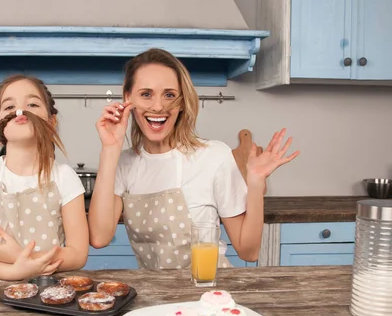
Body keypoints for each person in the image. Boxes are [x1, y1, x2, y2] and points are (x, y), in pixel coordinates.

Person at [88, 48, 299, 269]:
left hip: (209, 292)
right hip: (156, 295)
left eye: (169, 94)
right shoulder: (123, 163)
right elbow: (100, 238)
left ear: (181, 102)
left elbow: (249, 251)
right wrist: (110, 149)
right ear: (128, 98)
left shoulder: (214, 156)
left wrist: (255, 184)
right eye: (146, 94)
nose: (158, 106)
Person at [0, 75, 89, 280]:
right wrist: (13, 272)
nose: (20, 111)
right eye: (9, 107)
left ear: (51, 121)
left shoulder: (65, 178)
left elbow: (77, 254)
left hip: (49, 291)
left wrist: (21, 257)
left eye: (32, 104)